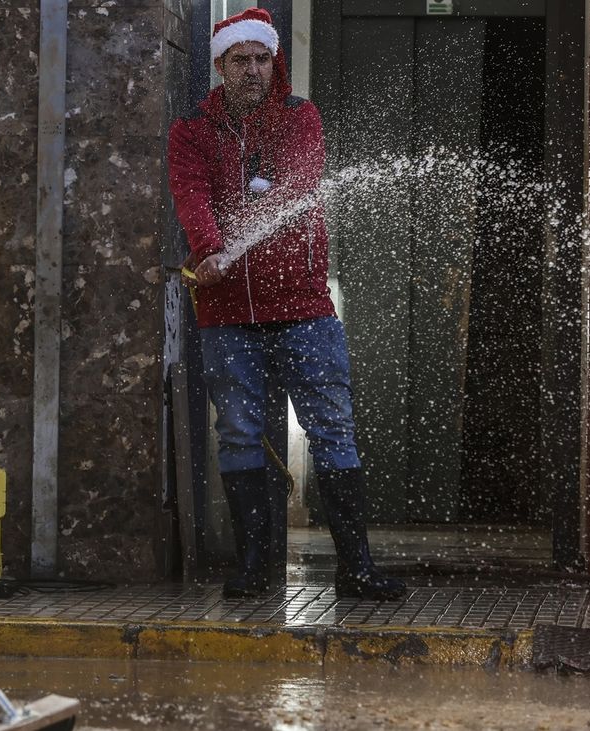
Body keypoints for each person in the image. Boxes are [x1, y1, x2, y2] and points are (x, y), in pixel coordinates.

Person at [167, 9, 405, 601]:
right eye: (239, 59)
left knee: (332, 430)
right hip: (227, 315)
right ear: (220, 67)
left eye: (261, 58)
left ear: (275, 62)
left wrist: (237, 242)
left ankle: (357, 567)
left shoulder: (301, 117)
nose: (252, 69)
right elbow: (190, 194)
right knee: (242, 433)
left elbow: (299, 185)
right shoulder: (190, 134)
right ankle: (253, 566)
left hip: (303, 307)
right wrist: (211, 249)